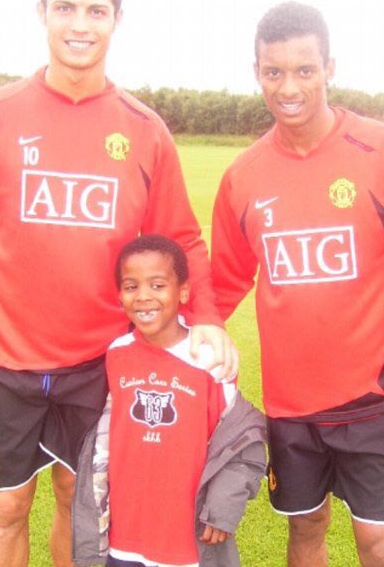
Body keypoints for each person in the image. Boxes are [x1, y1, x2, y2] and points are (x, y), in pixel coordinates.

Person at [0, 0, 237, 567]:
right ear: (41, 12)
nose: (80, 24)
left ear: (117, 20)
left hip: (99, 361)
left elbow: (182, 238)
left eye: (96, 10)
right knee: (8, 506)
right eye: (65, 7)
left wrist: (207, 318)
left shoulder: (144, 129)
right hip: (7, 360)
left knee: (77, 498)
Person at [211, 2, 384, 567]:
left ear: (329, 67)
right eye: (274, 72)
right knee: (305, 530)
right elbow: (222, 283)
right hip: (290, 407)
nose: (289, 87)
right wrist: (168, 345)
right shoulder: (243, 177)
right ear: (256, 73)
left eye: (305, 70)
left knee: (379, 544)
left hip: (373, 401)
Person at [71, 234, 267, 567]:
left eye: (158, 285)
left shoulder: (208, 359)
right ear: (119, 294)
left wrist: (224, 504)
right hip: (123, 538)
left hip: (187, 541)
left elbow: (244, 439)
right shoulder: (116, 353)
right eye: (131, 286)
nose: (143, 296)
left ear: (184, 292)